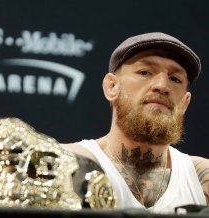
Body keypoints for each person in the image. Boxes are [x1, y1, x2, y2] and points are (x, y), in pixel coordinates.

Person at [61, 32, 209, 213]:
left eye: (175, 79)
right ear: (112, 87)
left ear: (185, 103)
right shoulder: (64, 162)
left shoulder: (201, 176)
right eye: (145, 72)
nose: (162, 85)